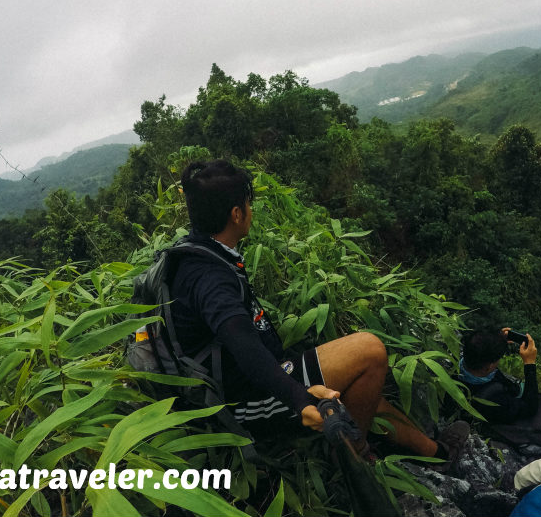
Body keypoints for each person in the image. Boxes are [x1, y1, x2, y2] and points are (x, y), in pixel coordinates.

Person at [166, 159, 468, 466]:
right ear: (236, 214)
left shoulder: (203, 250)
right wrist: (300, 400)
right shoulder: (209, 277)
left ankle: (437, 453)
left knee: (362, 388)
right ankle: (355, 457)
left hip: (258, 375)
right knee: (369, 350)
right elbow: (242, 344)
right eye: (248, 204)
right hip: (243, 402)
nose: (250, 212)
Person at [458, 328, 541, 453]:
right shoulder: (492, 399)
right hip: (513, 420)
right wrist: (530, 364)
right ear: (490, 366)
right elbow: (530, 407)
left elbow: (478, 345)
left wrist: (496, 340)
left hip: (503, 402)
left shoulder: (462, 366)